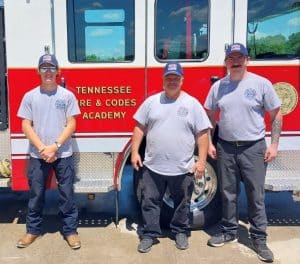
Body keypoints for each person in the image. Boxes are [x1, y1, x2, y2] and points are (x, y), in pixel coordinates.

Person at [204, 43, 282, 263]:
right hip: (226, 147)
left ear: (247, 60)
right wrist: (210, 141)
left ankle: (259, 238)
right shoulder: (218, 87)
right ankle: (229, 231)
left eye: (240, 57)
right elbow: (209, 114)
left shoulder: (261, 84)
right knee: (228, 193)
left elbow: (276, 114)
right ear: (226, 62)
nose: (235, 62)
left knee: (256, 195)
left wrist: (274, 145)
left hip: (253, 148)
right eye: (231, 58)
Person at [131, 62, 212, 253]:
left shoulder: (192, 104)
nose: (172, 81)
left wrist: (201, 162)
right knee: (149, 202)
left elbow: (202, 134)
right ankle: (150, 234)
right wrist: (135, 152)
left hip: (183, 167)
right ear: (163, 80)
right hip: (153, 167)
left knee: (182, 203)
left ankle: (180, 232)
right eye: (169, 78)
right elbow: (139, 127)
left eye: (176, 78)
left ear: (182, 80)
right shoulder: (151, 102)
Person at [16, 54, 81, 249]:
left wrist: (55, 146)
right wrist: (43, 148)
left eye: (51, 67)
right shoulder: (30, 96)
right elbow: (26, 125)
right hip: (38, 155)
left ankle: (70, 231)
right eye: (44, 68)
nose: (48, 72)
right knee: (36, 194)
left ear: (58, 71)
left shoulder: (67, 96)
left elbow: (72, 123)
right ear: (38, 71)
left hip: (63, 154)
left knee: (67, 194)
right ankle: (32, 230)